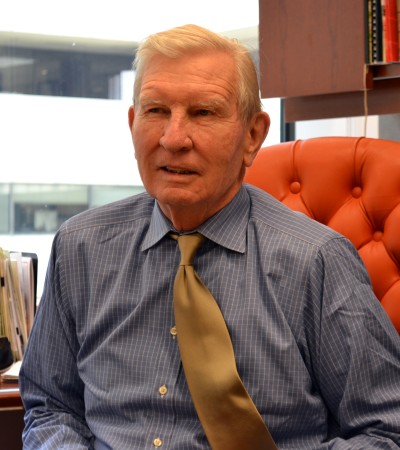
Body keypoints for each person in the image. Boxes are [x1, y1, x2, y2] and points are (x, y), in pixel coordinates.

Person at [20, 24, 400, 449]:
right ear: (132, 124)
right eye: (155, 111)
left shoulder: (317, 261)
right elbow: (51, 406)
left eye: (203, 112)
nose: (173, 138)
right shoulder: (80, 247)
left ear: (252, 136)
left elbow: (386, 429)